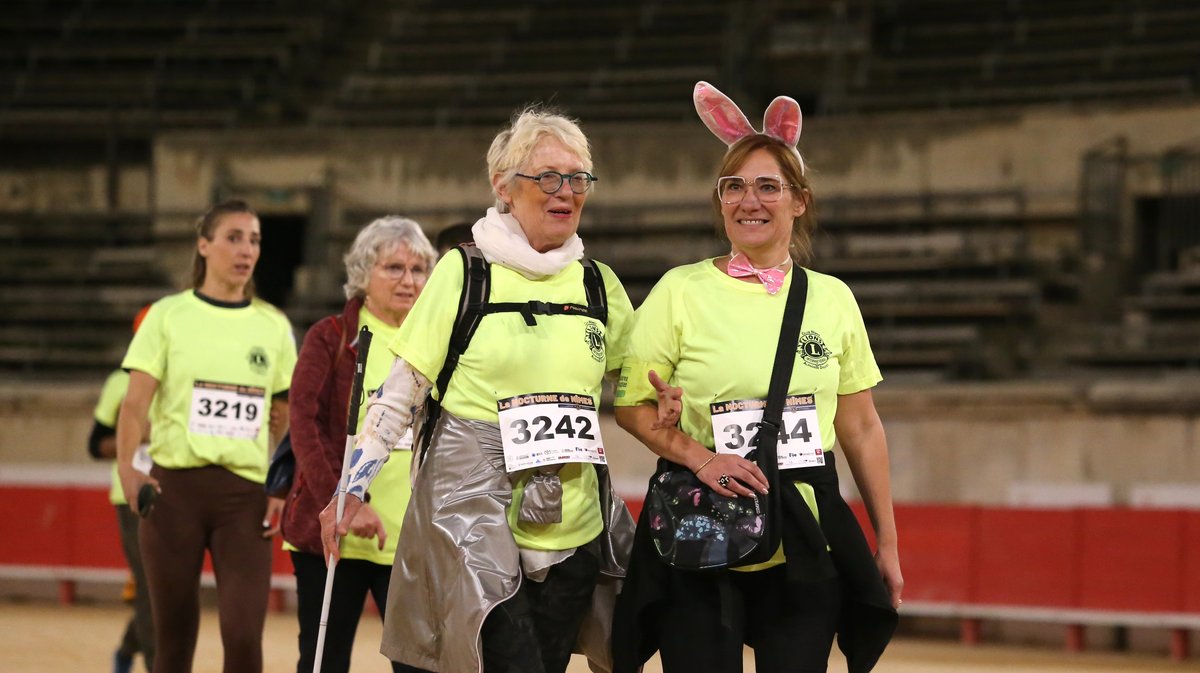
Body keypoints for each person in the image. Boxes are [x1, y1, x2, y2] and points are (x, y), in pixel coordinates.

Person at [319, 106, 636, 673]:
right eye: (548, 177)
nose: (566, 191)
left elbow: (639, 388)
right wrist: (352, 487)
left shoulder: (598, 284)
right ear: (504, 187)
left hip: (574, 523)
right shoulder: (463, 274)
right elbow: (399, 395)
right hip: (471, 515)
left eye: (578, 178)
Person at [611, 82, 902, 673]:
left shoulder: (834, 300)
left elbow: (863, 429)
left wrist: (888, 543)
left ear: (799, 201)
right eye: (734, 186)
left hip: (804, 531)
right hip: (702, 523)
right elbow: (632, 405)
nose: (750, 200)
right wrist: (697, 454)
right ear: (720, 202)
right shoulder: (678, 291)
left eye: (768, 186)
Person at [116, 199, 297, 673]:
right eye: (234, 237)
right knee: (173, 641)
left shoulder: (273, 325)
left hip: (244, 500)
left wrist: (279, 482)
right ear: (203, 245)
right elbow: (133, 406)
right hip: (173, 494)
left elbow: (285, 411)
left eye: (254, 240)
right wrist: (129, 474)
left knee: (242, 638)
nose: (246, 250)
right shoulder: (166, 316)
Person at [280, 216, 437, 673]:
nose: (408, 281)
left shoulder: (440, 343)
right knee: (324, 664)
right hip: (336, 538)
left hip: (411, 540)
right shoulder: (330, 337)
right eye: (394, 268)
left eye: (418, 269)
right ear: (364, 275)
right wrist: (343, 499)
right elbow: (303, 424)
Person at [89, 305, 155, 673]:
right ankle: (157, 664)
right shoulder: (119, 382)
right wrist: (131, 437)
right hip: (130, 494)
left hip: (174, 488)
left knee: (169, 585)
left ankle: (129, 647)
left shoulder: (185, 378)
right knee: (148, 585)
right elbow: (94, 444)